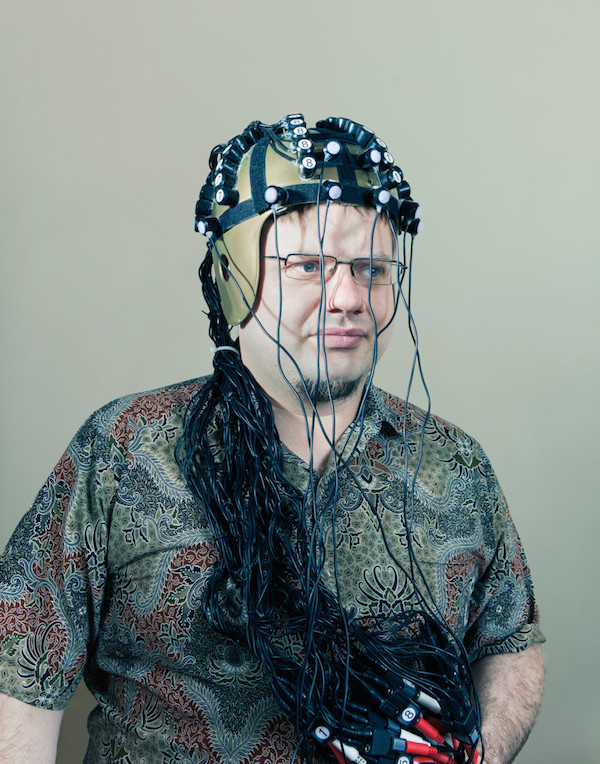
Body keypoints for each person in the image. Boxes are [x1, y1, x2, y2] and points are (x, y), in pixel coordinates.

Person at [0, 115, 544, 764]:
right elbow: (19, 680)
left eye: (372, 269)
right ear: (233, 282)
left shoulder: (454, 465)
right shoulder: (124, 453)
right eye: (308, 266)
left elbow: (511, 645)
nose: (348, 297)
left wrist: (474, 755)